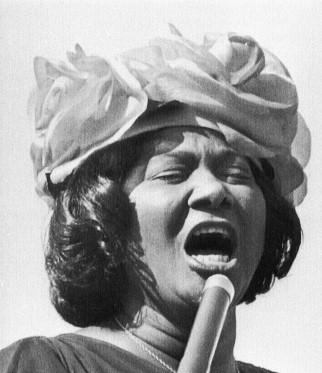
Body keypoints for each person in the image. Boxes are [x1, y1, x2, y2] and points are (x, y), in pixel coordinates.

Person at [0, 25, 310, 373]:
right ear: (106, 217)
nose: (213, 190)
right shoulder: (41, 365)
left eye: (236, 175)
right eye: (172, 173)